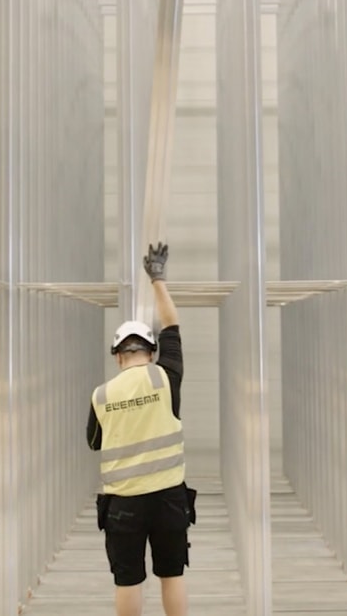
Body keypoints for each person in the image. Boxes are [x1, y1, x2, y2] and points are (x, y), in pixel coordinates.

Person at [87, 242, 195, 616]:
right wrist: (157, 278)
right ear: (151, 351)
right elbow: (173, 326)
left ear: (117, 355)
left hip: (124, 505)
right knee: (172, 575)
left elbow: (93, 442)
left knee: (128, 580)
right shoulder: (167, 379)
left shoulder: (101, 395)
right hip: (168, 498)